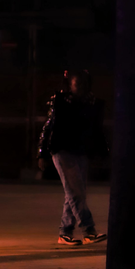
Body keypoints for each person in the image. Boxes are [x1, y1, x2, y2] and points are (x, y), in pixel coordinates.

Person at [37, 68, 107, 246]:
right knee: (76, 192)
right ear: (70, 85)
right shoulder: (60, 102)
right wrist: (43, 153)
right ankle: (89, 230)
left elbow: (97, 130)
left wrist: (103, 152)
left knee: (75, 193)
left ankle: (65, 232)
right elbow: (48, 128)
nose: (81, 88)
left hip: (81, 152)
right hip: (62, 151)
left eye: (84, 84)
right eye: (77, 84)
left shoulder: (93, 104)